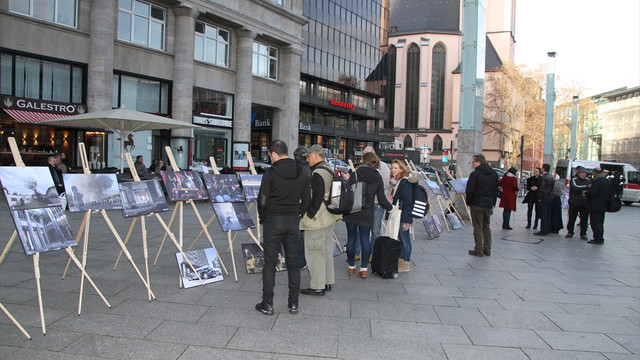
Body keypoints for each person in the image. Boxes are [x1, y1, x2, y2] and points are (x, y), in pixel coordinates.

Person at [255, 140, 310, 315]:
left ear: (274, 154)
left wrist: (264, 217)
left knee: (270, 263)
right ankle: (293, 303)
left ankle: (268, 303)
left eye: (269, 155)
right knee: (293, 263)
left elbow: (262, 200)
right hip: (292, 221)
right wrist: (297, 213)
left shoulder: (270, 173)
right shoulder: (302, 171)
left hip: (273, 220)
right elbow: (307, 199)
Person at [299, 144, 342, 296]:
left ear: (316, 156)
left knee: (314, 252)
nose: (307, 160)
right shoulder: (329, 169)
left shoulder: (317, 173)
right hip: (330, 216)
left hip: (318, 219)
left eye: (309, 157)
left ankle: (317, 286)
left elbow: (316, 198)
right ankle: (328, 281)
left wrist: (308, 214)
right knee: (326, 250)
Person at [343, 152, 393, 278]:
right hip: (367, 211)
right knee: (365, 239)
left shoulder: (355, 173)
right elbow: (381, 199)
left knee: (351, 239)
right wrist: (391, 209)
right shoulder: (377, 177)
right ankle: (364, 268)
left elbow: (348, 191)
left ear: (363, 161)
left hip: (352, 211)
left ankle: (351, 267)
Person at [465, 154, 499, 256]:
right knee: (486, 226)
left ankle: (479, 249)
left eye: (473, 162)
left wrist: (468, 202)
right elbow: (495, 191)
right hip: (488, 203)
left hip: (477, 203)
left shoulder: (475, 174)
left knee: (477, 226)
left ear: (478, 162)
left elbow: (470, 190)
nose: (472, 164)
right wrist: (493, 203)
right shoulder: (494, 174)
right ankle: (487, 248)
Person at [390, 159, 418, 272]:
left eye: (395, 168)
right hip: (402, 214)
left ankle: (405, 262)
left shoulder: (404, 182)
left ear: (401, 169)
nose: (393, 170)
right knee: (401, 238)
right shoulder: (399, 181)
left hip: (404, 215)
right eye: (392, 168)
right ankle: (401, 260)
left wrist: (403, 213)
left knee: (405, 239)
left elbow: (407, 200)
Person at [363, 146, 391, 259]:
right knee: (363, 230)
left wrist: (373, 187)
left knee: (375, 230)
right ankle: (357, 252)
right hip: (364, 202)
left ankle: (372, 253)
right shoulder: (362, 166)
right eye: (364, 153)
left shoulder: (383, 166)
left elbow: (386, 183)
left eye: (367, 153)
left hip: (377, 202)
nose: (364, 155)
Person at [293, 146, 311, 270]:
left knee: (299, 235)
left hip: (297, 204)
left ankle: (299, 261)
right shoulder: (310, 168)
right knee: (304, 234)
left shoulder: (295, 168)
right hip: (309, 204)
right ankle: (303, 260)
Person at [585, 167, 613, 245]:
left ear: (595, 173)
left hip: (595, 205)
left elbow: (592, 193)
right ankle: (600, 237)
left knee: (594, 223)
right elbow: (611, 193)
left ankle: (597, 238)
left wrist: (586, 193)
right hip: (603, 205)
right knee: (600, 223)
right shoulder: (607, 181)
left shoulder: (596, 181)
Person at [566, 166, 591, 240]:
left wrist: (585, 189)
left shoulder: (588, 180)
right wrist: (585, 187)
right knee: (572, 218)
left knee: (584, 219)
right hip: (574, 202)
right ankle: (570, 232)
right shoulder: (574, 180)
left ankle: (583, 233)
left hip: (584, 203)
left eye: (584, 173)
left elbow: (590, 189)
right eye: (582, 173)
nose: (583, 174)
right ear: (578, 173)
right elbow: (575, 188)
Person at [533, 164, 555, 236]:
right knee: (548, 214)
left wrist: (539, 198)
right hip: (550, 197)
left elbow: (541, 188)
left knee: (543, 214)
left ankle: (543, 230)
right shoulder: (551, 177)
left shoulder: (543, 178)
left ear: (543, 169)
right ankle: (547, 229)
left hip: (544, 197)